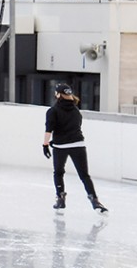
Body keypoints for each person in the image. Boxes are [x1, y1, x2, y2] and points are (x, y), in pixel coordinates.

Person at [43, 83, 107, 213]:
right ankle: (95, 200)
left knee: (58, 172)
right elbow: (73, 128)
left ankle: (60, 198)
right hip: (78, 144)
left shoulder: (53, 111)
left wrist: (45, 144)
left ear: (58, 95)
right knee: (84, 175)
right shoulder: (76, 111)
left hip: (61, 146)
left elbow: (49, 130)